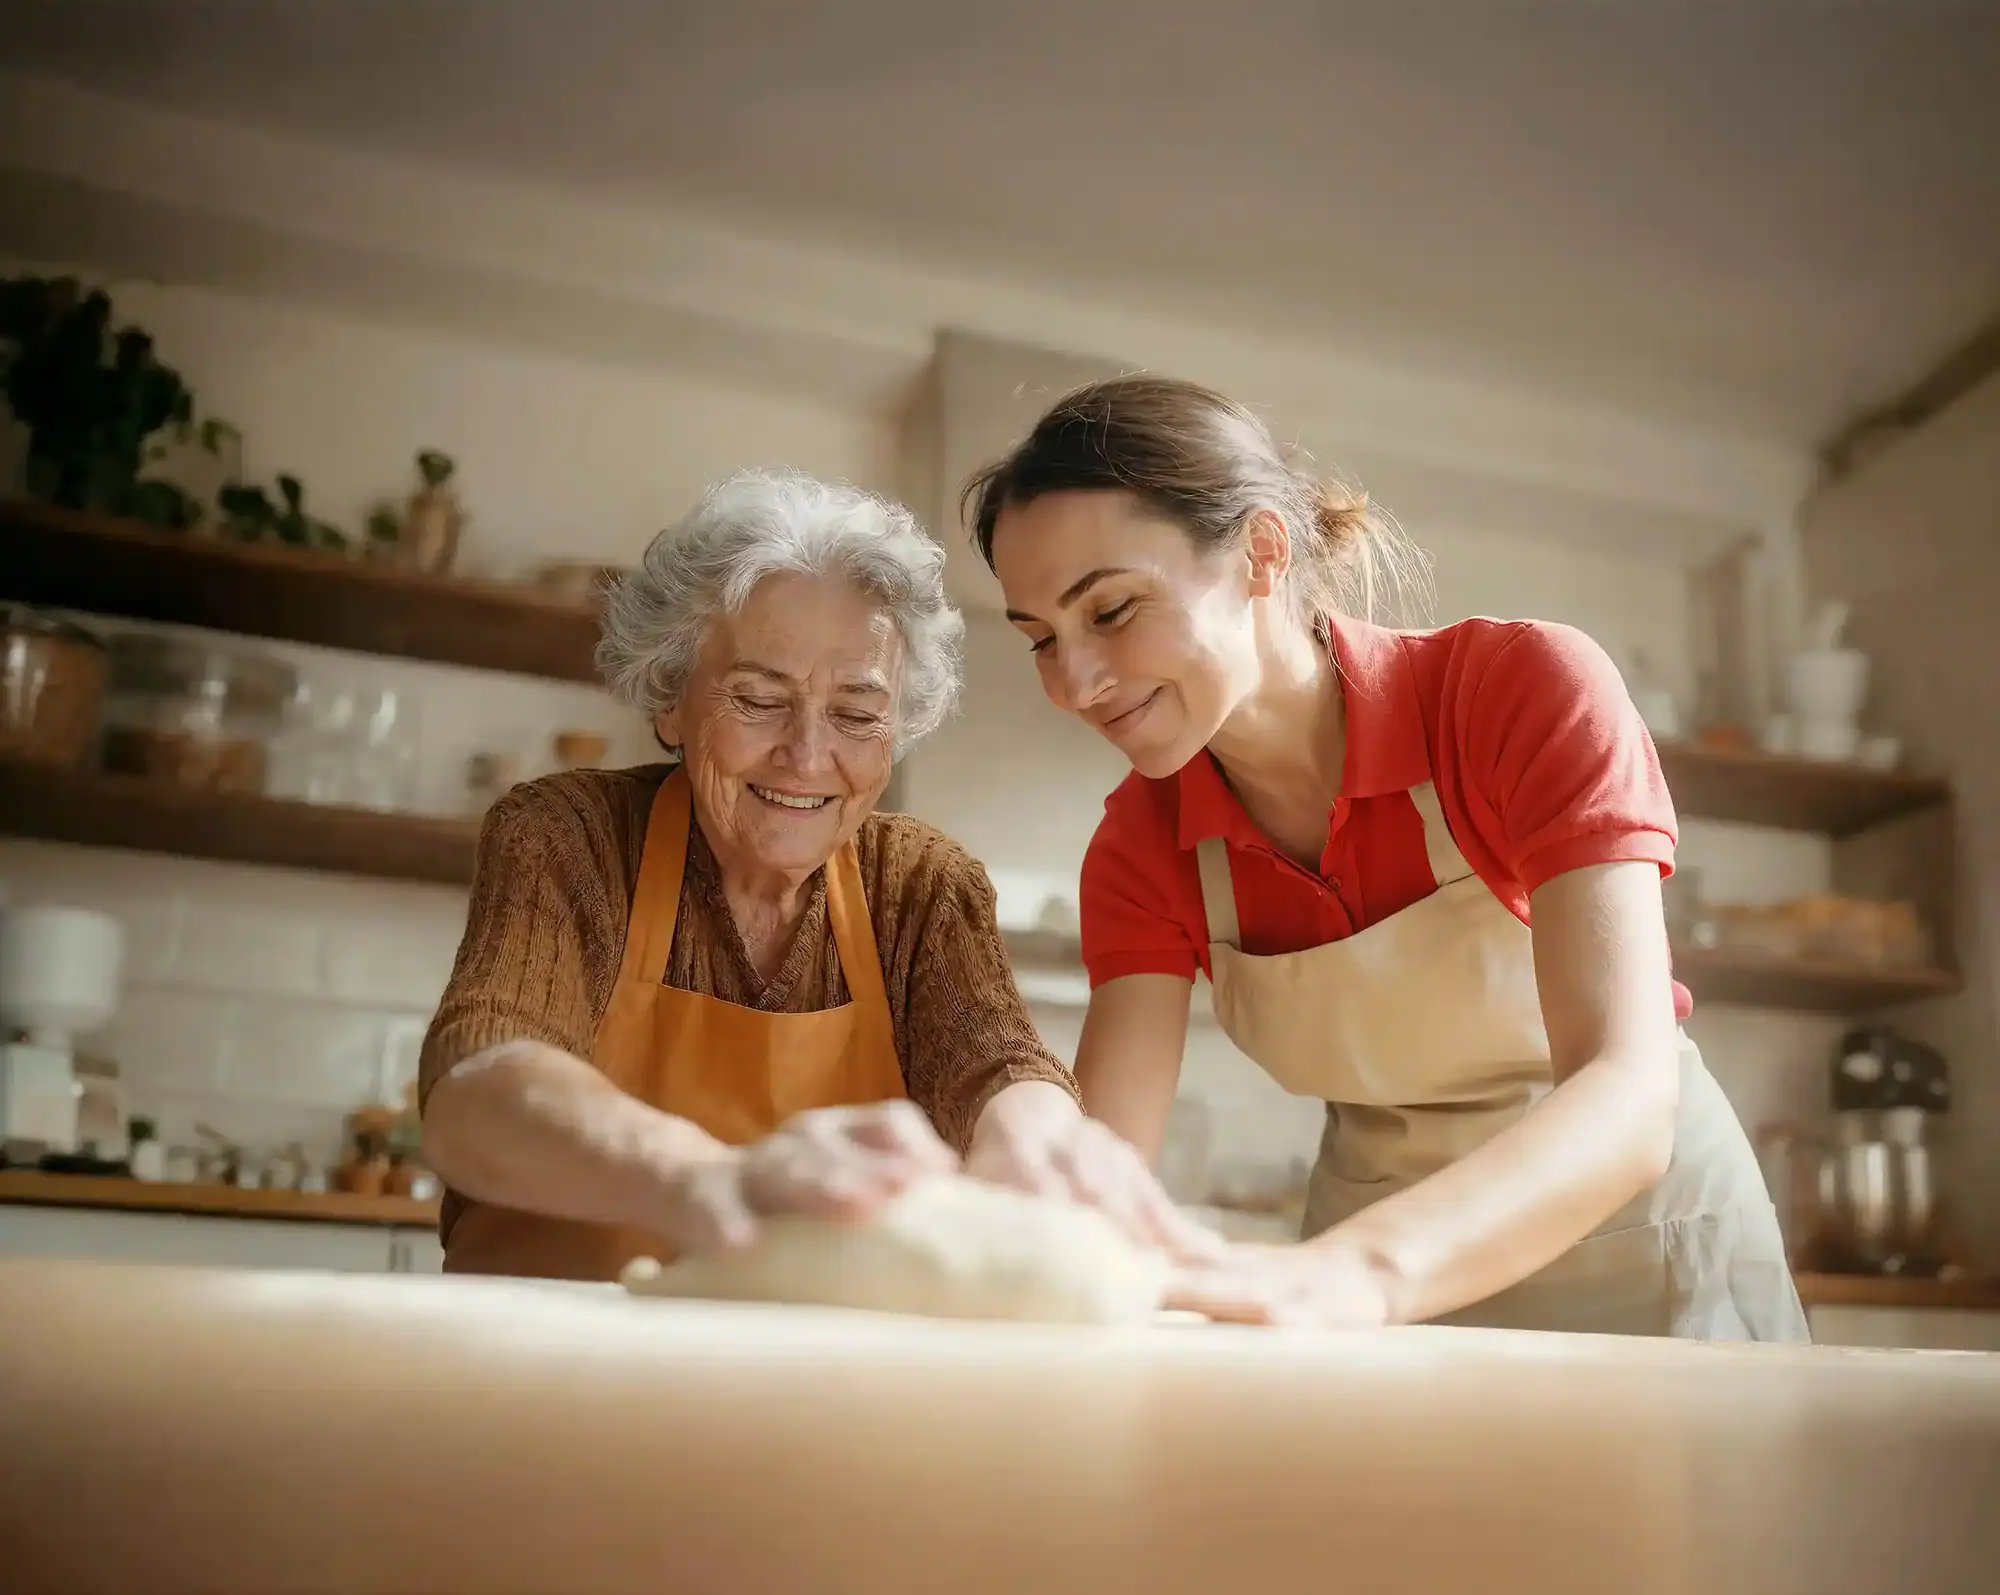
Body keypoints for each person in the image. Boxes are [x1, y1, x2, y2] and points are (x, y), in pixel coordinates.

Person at [965, 376, 1809, 1340]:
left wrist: (1361, 1273)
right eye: (1041, 640)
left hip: (1643, 1262)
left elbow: (1628, 1093)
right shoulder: (1139, 846)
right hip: (1366, 1285)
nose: (1075, 684)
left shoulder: (1515, 694)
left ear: (1261, 551)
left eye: (1110, 610)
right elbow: (1099, 1182)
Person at [420, 468, 1212, 1280]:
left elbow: (999, 1069)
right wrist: (713, 1179)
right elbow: (478, 1087)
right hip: (546, 1372)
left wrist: (1041, 1140)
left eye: (857, 714)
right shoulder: (570, 836)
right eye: (759, 699)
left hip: (805, 1390)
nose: (806, 757)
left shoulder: (919, 883)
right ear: (669, 697)